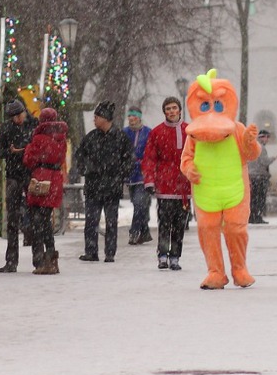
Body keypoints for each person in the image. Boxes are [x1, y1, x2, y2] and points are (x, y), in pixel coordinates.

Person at [73, 100, 134, 263]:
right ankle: (91, 251)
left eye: (97, 116)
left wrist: (119, 174)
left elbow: (129, 159)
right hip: (93, 186)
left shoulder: (120, 138)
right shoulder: (91, 137)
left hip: (112, 187)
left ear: (106, 118)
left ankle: (110, 253)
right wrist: (86, 170)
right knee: (91, 221)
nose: (94, 119)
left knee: (111, 221)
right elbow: (79, 156)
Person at [141, 96, 192, 270]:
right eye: (168, 109)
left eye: (174, 108)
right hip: (165, 184)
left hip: (184, 185)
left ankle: (175, 256)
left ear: (179, 110)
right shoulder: (156, 132)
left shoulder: (189, 131)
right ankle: (162, 254)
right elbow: (149, 158)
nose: (171, 111)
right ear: (164, 112)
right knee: (164, 223)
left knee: (180, 224)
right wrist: (149, 179)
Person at [23, 108, 68, 275]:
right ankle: (51, 258)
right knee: (46, 220)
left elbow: (29, 159)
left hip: (41, 178)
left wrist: (28, 148)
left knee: (37, 222)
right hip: (55, 179)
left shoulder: (39, 138)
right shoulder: (62, 138)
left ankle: (41, 260)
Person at [0, 100, 35, 273]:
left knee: (34, 216)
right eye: (14, 117)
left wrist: (27, 150)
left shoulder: (33, 125)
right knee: (12, 218)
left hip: (30, 174)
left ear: (24, 112)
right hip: (13, 176)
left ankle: (38, 258)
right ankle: (11, 260)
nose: (17, 119)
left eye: (19, 115)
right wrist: (10, 152)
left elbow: (39, 147)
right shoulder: (6, 128)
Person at [123, 107, 152, 246]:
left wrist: (145, 163)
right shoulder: (124, 133)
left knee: (140, 203)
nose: (131, 119)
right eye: (129, 116)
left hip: (144, 174)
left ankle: (134, 232)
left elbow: (152, 151)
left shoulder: (148, 132)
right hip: (130, 174)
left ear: (139, 117)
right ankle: (145, 231)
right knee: (139, 205)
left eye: (133, 116)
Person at [247, 129, 276, 224]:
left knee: (253, 198)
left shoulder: (252, 146)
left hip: (251, 176)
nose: (267, 140)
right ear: (263, 137)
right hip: (259, 176)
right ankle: (258, 217)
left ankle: (252, 216)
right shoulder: (261, 148)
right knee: (260, 198)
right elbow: (264, 162)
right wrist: (273, 158)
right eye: (267, 137)